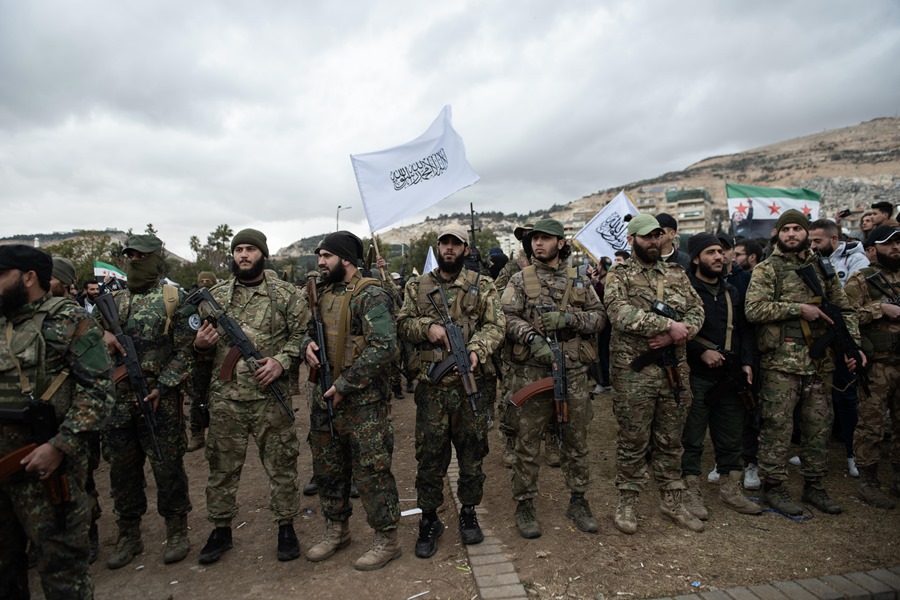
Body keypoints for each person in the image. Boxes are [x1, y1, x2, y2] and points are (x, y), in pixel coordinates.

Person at [0, 245, 114, 600]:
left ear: (29, 278)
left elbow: (100, 391)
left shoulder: (66, 320)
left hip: (47, 473)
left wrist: (59, 445)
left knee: (62, 574)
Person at [192, 230, 305, 564]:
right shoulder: (214, 297)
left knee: (282, 465)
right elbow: (198, 349)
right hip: (226, 399)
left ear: (263, 255)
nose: (243, 254)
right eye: (238, 249)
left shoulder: (286, 295)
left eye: (250, 249)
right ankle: (221, 529)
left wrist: (280, 362)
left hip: (270, 398)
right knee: (222, 469)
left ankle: (286, 526)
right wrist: (199, 345)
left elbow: (301, 336)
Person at [745, 209, 862, 516]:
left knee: (818, 428)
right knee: (777, 428)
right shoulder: (767, 269)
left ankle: (815, 486)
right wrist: (798, 309)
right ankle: (775, 487)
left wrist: (854, 348)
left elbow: (844, 310)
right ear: (778, 234)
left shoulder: (823, 269)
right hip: (780, 364)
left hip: (819, 363)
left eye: (798, 228)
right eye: (787, 229)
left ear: (807, 233)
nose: (792, 234)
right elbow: (754, 310)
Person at [397, 226, 504, 558]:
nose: (449, 248)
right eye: (444, 243)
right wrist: (427, 328)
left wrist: (475, 351)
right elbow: (402, 323)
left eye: (455, 244)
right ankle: (429, 519)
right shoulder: (417, 286)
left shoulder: (481, 285)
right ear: (438, 247)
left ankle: (468, 512)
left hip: (472, 386)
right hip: (432, 390)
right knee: (429, 458)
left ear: (465, 249)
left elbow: (496, 325)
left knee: (473, 454)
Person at [302, 230, 402, 571]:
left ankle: (387, 538)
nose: (320, 261)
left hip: (363, 406)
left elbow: (385, 346)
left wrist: (345, 383)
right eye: (319, 255)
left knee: (372, 472)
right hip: (324, 399)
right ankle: (336, 529)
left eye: (326, 255)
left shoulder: (370, 294)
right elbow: (306, 330)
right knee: (328, 469)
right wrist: (307, 347)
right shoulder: (322, 293)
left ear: (345, 258)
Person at [501, 218, 607, 538]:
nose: (538, 244)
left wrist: (568, 318)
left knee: (575, 442)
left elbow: (600, 317)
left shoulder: (579, 281)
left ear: (560, 243)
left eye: (546, 239)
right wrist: (533, 339)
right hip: (533, 373)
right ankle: (525, 505)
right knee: (528, 443)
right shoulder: (521, 280)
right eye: (535, 239)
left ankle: (578, 500)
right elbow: (505, 316)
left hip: (572, 373)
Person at [604, 214, 705, 534]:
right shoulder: (618, 274)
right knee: (633, 439)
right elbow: (619, 313)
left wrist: (680, 332)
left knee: (671, 439)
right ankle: (628, 501)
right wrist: (666, 325)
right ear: (632, 240)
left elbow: (697, 309)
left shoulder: (676, 273)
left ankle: (672, 500)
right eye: (646, 236)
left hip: (673, 372)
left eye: (657, 236)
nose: (653, 241)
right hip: (634, 373)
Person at [99, 234, 194, 569]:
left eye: (141, 256)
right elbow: (78, 331)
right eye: (130, 257)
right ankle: (129, 535)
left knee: (168, 468)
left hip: (160, 401)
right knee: (122, 473)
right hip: (118, 402)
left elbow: (188, 351)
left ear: (157, 259)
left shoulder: (173, 298)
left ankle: (177, 530)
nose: (134, 261)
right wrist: (102, 334)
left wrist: (165, 386)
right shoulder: (114, 300)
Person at [679, 234, 762, 518]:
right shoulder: (685, 290)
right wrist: (699, 352)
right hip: (695, 374)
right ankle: (689, 491)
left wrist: (747, 363)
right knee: (692, 437)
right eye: (711, 252)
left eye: (720, 252)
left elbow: (743, 330)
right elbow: (672, 330)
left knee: (731, 435)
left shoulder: (731, 292)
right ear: (695, 258)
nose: (719, 257)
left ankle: (730, 489)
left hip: (729, 375)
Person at [843, 225, 900, 509]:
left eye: (899, 243)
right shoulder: (862, 279)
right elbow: (846, 315)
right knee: (872, 425)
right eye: (890, 244)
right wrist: (880, 309)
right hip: (878, 365)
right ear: (874, 248)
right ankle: (869, 481)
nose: (897, 248)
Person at [808, 218, 869, 477]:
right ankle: (814, 450)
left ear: (834, 239)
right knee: (815, 398)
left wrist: (853, 345)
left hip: (842, 331)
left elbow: (848, 305)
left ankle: (852, 452)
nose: (812, 245)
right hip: (818, 335)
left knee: (846, 396)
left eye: (817, 241)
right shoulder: (811, 262)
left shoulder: (856, 261)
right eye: (810, 240)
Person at [186, 271, 219, 453]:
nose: (205, 283)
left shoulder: (221, 300)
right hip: (199, 359)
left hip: (218, 359)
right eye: (202, 281)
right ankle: (197, 434)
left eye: (209, 281)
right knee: (197, 398)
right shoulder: (192, 303)